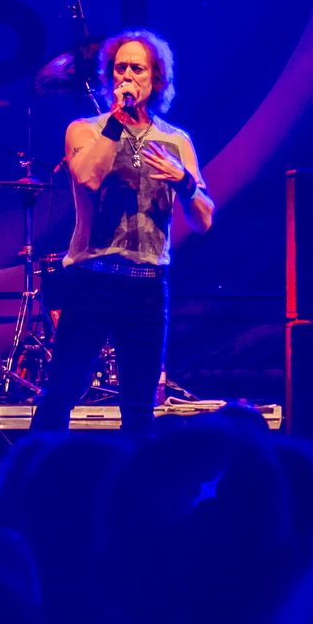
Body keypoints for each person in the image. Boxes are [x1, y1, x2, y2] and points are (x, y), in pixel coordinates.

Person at [29, 31, 213, 434]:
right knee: (62, 391)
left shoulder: (175, 141)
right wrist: (116, 120)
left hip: (147, 285)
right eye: (120, 68)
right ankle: (35, 467)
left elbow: (204, 219)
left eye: (137, 69)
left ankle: (136, 474)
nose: (127, 76)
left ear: (156, 79)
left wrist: (184, 181)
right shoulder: (86, 130)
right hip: (92, 280)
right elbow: (88, 176)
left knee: (139, 403)